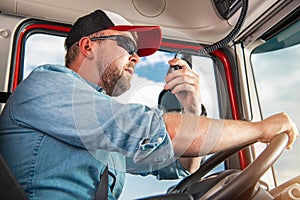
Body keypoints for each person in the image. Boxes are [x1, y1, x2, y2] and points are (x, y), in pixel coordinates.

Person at [0, 9, 298, 200]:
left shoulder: (96, 123)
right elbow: (161, 132)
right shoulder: (48, 86)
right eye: (128, 46)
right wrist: (261, 129)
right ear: (88, 46)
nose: (136, 57)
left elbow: (180, 164)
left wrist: (192, 109)